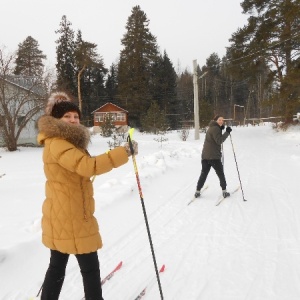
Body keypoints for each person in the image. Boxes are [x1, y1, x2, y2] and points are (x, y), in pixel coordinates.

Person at [37, 91, 138, 300]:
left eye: (76, 116)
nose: (73, 120)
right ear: (57, 119)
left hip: (62, 214)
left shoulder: (63, 141)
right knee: (90, 267)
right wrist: (123, 152)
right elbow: (88, 166)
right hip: (72, 217)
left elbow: (77, 171)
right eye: (67, 117)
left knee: (57, 266)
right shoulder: (59, 143)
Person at [194, 115, 232, 198]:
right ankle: (224, 191)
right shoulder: (215, 128)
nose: (221, 121)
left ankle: (197, 191)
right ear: (215, 120)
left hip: (205, 156)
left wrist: (221, 130)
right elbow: (219, 140)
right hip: (214, 157)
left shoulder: (211, 127)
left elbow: (215, 139)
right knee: (220, 174)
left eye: (222, 120)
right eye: (219, 120)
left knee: (204, 174)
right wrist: (227, 132)